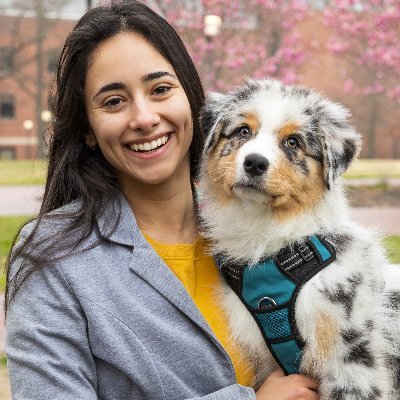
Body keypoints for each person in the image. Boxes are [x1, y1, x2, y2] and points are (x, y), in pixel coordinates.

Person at [5, 1, 320, 399]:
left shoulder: (262, 236)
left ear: (191, 99)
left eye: (160, 89)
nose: (144, 117)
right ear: (87, 129)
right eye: (114, 101)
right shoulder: (54, 258)